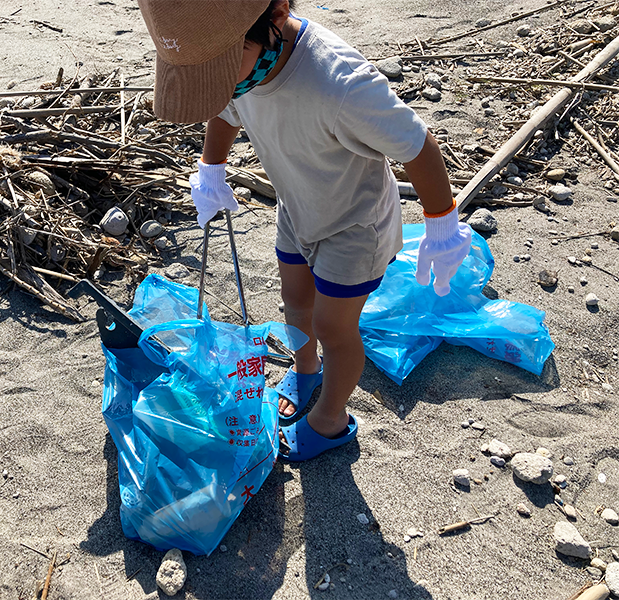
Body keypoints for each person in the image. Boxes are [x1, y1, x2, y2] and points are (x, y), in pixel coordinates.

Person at [136, 0, 471, 461]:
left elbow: (416, 143)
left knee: (335, 327)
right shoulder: (235, 62)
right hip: (295, 206)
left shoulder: (339, 83)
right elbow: (225, 109)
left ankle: (331, 419)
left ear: (275, 15)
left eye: (219, 73)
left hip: (354, 224)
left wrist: (442, 225)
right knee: (295, 300)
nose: (220, 86)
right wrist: (210, 168)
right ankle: (305, 367)